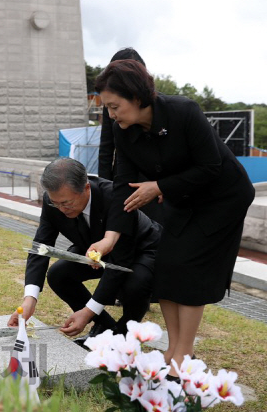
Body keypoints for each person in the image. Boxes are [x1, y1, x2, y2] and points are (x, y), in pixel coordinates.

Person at [93, 60, 255, 378]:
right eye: (107, 108)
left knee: (190, 267)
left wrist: (159, 187)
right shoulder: (121, 130)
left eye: (114, 106)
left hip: (223, 197)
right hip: (183, 198)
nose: (111, 114)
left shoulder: (184, 111)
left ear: (137, 97)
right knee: (165, 264)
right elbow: (123, 186)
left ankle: (184, 355)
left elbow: (210, 166)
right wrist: (111, 235)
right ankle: (174, 348)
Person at [7, 158, 161, 343]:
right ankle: (104, 326)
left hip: (140, 249)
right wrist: (30, 299)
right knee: (59, 274)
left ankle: (123, 337)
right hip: (93, 248)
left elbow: (120, 261)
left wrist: (88, 311)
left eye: (67, 203)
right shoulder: (53, 201)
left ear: (86, 188)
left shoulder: (114, 197)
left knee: (135, 284)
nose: (61, 209)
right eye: (56, 203)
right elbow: (41, 247)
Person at [98, 48, 163, 225]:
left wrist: (163, 185)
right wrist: (103, 187)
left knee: (154, 230)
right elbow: (106, 147)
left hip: (153, 179)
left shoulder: (159, 104)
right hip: (123, 176)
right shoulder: (111, 106)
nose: (113, 114)